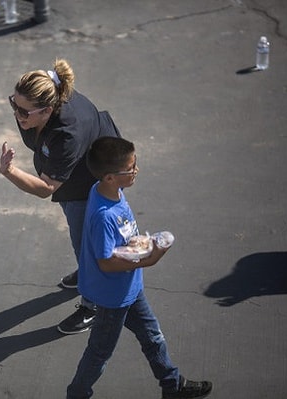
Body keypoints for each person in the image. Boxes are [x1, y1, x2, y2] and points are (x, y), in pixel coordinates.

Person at [66, 137, 212, 399]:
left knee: (152, 337)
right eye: (131, 168)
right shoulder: (104, 215)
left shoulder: (109, 191)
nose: (136, 170)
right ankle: (76, 394)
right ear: (110, 177)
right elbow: (106, 262)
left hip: (129, 288)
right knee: (99, 353)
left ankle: (172, 385)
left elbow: (117, 246)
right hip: (113, 297)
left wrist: (136, 244)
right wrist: (149, 259)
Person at [0, 58, 121, 334]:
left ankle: (94, 305)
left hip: (93, 184)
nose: (17, 114)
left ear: (48, 110)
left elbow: (45, 189)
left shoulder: (67, 133)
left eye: (24, 111)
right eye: (13, 104)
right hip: (74, 175)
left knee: (87, 243)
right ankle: (86, 270)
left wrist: (9, 171)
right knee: (81, 238)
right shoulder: (45, 95)